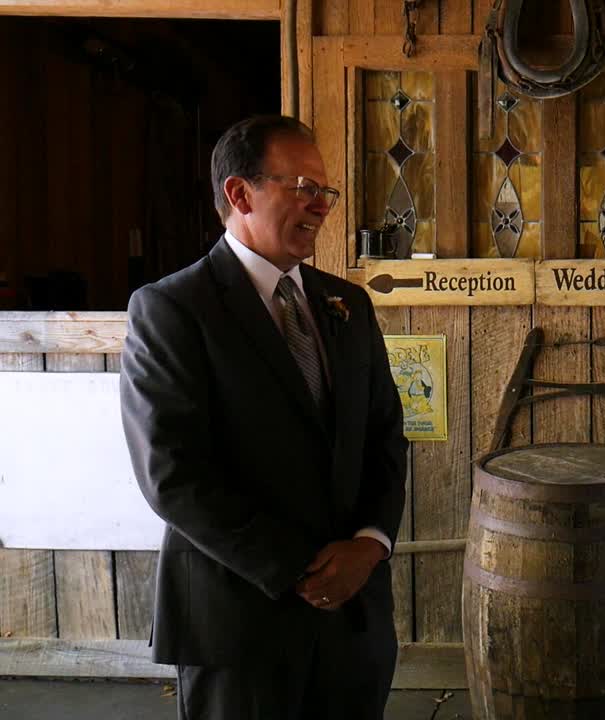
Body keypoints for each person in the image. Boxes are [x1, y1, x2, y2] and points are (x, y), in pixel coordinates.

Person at [120, 115, 408, 720]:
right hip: (238, 622)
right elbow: (172, 473)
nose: (320, 204)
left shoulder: (347, 304)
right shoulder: (174, 309)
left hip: (354, 622)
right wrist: (302, 569)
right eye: (301, 184)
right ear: (239, 193)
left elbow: (384, 435)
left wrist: (369, 544)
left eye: (325, 191)